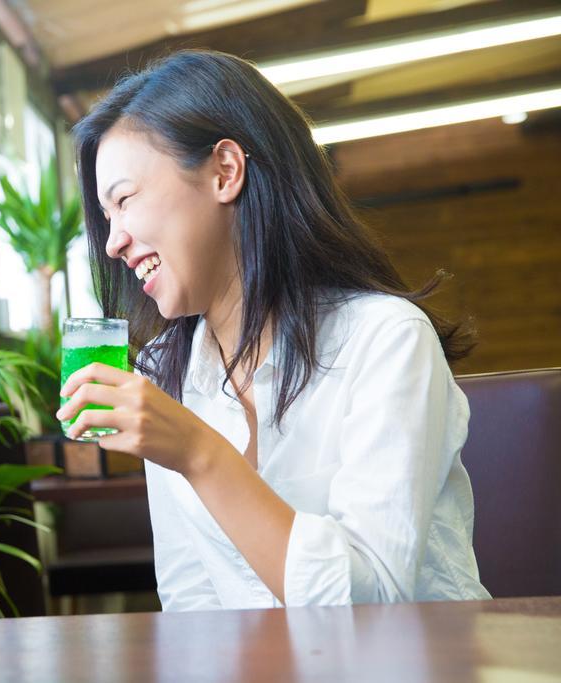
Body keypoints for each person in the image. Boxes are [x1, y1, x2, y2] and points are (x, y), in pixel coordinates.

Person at [60, 50, 490, 609]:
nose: (113, 241)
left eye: (124, 200)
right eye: (107, 216)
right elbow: (192, 600)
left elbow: (373, 603)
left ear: (225, 171)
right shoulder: (165, 370)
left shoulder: (386, 339)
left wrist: (198, 451)